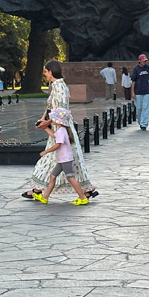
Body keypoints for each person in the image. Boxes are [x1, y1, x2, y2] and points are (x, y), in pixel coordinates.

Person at [23, 60, 98, 199]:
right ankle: (38, 189)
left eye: (46, 71)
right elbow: (51, 107)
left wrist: (48, 122)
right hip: (57, 127)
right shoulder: (55, 86)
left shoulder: (61, 87)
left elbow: (63, 111)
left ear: (51, 72)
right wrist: (43, 120)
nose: (45, 74)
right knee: (57, 159)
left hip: (61, 128)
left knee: (55, 158)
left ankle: (39, 190)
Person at [33, 108, 90, 205]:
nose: (52, 120)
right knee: (52, 176)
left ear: (58, 120)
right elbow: (54, 136)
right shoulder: (62, 130)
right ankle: (45, 197)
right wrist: (46, 127)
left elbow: (58, 145)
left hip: (65, 159)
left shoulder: (61, 131)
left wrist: (46, 151)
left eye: (53, 119)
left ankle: (82, 197)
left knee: (70, 177)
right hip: (62, 159)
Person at [131, 55, 149, 130]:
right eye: (143, 60)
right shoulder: (136, 69)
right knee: (139, 108)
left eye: (145, 61)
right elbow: (133, 81)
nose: (145, 62)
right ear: (139, 61)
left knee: (145, 108)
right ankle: (140, 121)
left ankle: (144, 124)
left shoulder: (148, 68)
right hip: (138, 91)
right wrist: (132, 92)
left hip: (146, 91)